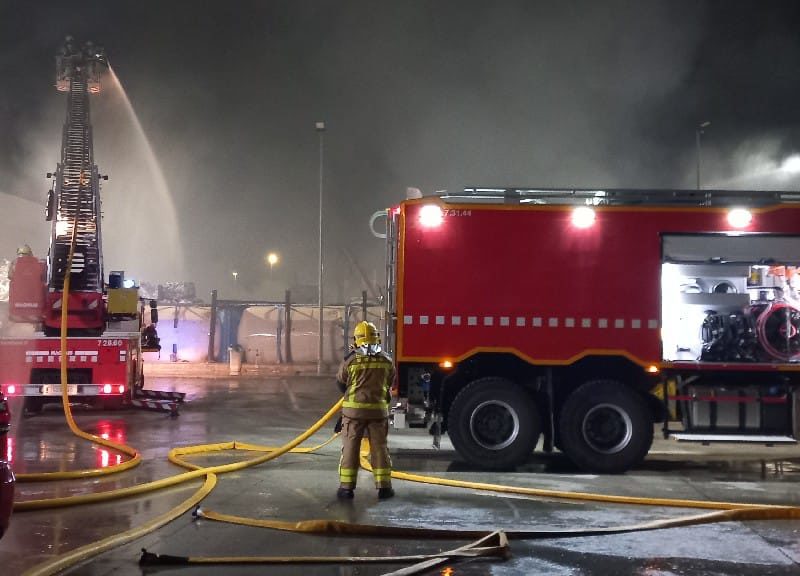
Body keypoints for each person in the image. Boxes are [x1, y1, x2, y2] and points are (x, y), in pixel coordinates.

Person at [335, 321, 396, 500]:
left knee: (351, 448)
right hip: (378, 412)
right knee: (380, 448)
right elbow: (389, 383)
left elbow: (340, 382)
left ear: (357, 339)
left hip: (353, 414)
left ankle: (347, 489)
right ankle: (384, 488)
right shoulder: (386, 360)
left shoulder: (351, 360)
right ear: (376, 337)